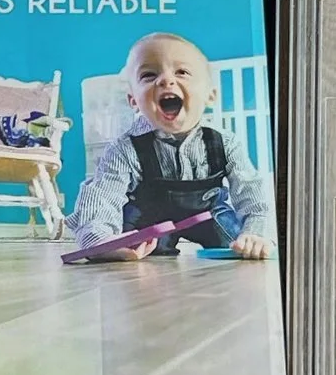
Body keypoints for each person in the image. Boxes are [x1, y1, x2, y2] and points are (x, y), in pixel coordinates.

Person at [63, 31, 273, 261]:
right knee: (133, 247)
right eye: (149, 75)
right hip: (151, 218)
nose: (165, 80)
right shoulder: (125, 147)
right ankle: (116, 246)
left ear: (210, 96)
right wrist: (99, 239)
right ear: (133, 101)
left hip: (208, 214)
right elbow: (103, 195)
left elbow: (250, 192)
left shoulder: (225, 142)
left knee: (237, 243)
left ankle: (246, 239)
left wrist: (255, 233)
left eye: (182, 72)